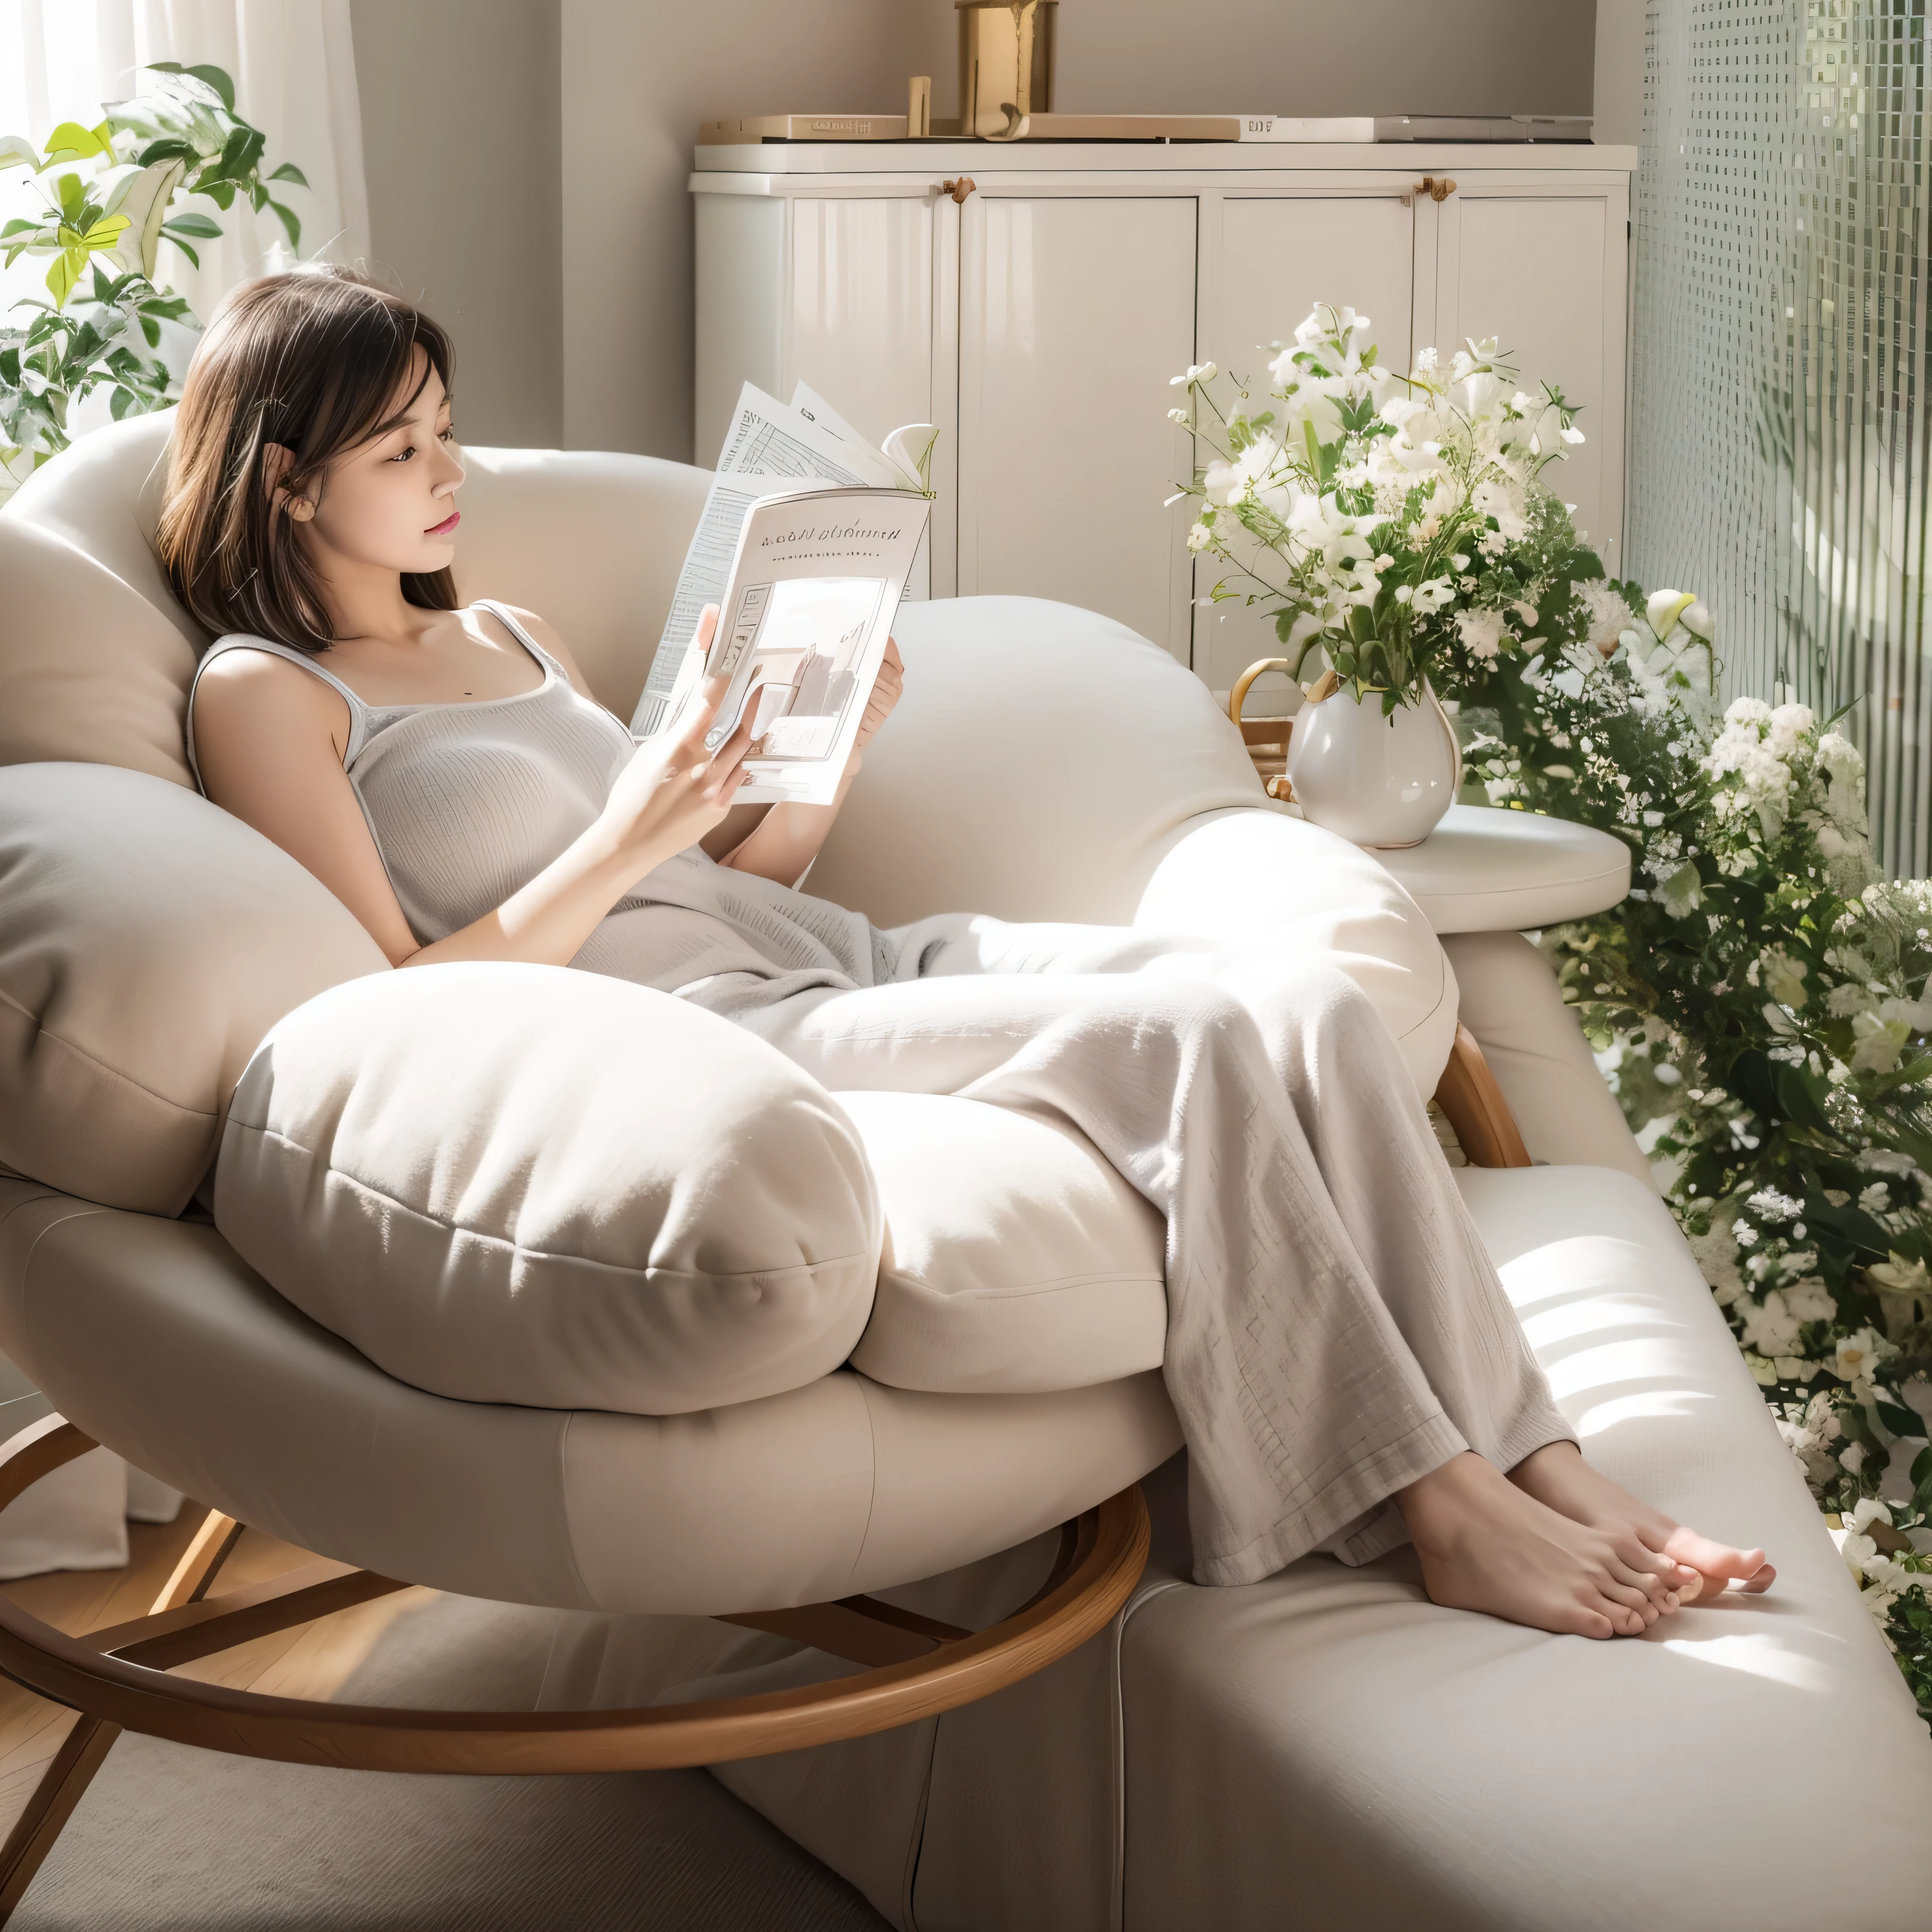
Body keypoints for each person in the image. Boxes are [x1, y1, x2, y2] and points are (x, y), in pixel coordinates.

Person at [164, 266, 1774, 1638]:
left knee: (1302, 1001)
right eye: (398, 445)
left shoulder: (509, 634)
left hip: (828, 950)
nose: (448, 470)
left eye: (446, 428)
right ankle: (1442, 1506)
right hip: (702, 1039)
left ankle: (1540, 1459)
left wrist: (817, 756)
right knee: (1190, 1039)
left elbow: (741, 870)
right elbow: (391, 1004)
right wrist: (636, 830)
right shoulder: (269, 694)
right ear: (288, 476)